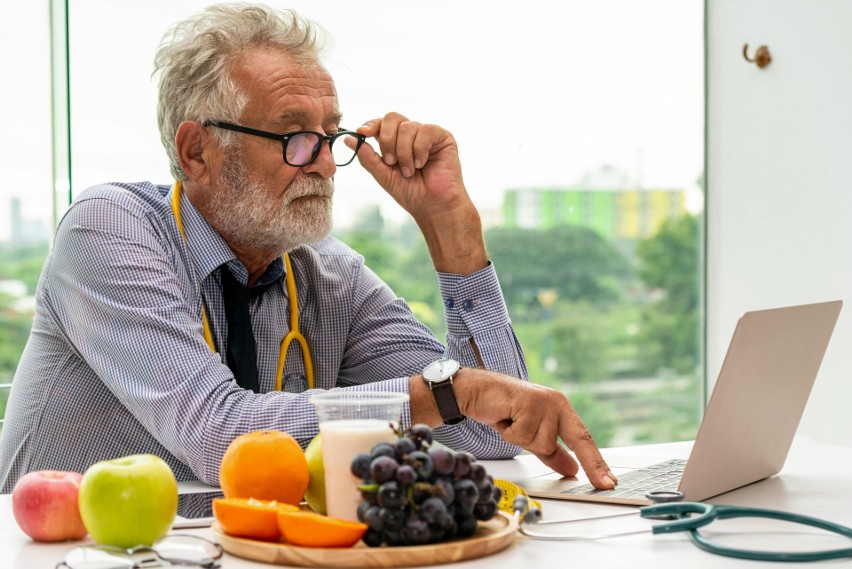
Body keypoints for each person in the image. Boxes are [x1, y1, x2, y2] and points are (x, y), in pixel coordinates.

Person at [0, 3, 616, 493]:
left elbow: (492, 435)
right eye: (296, 136)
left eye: (330, 134)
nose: (324, 162)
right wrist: (448, 393)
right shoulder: (108, 229)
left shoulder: (328, 272)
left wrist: (450, 227)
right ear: (197, 153)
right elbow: (221, 435)